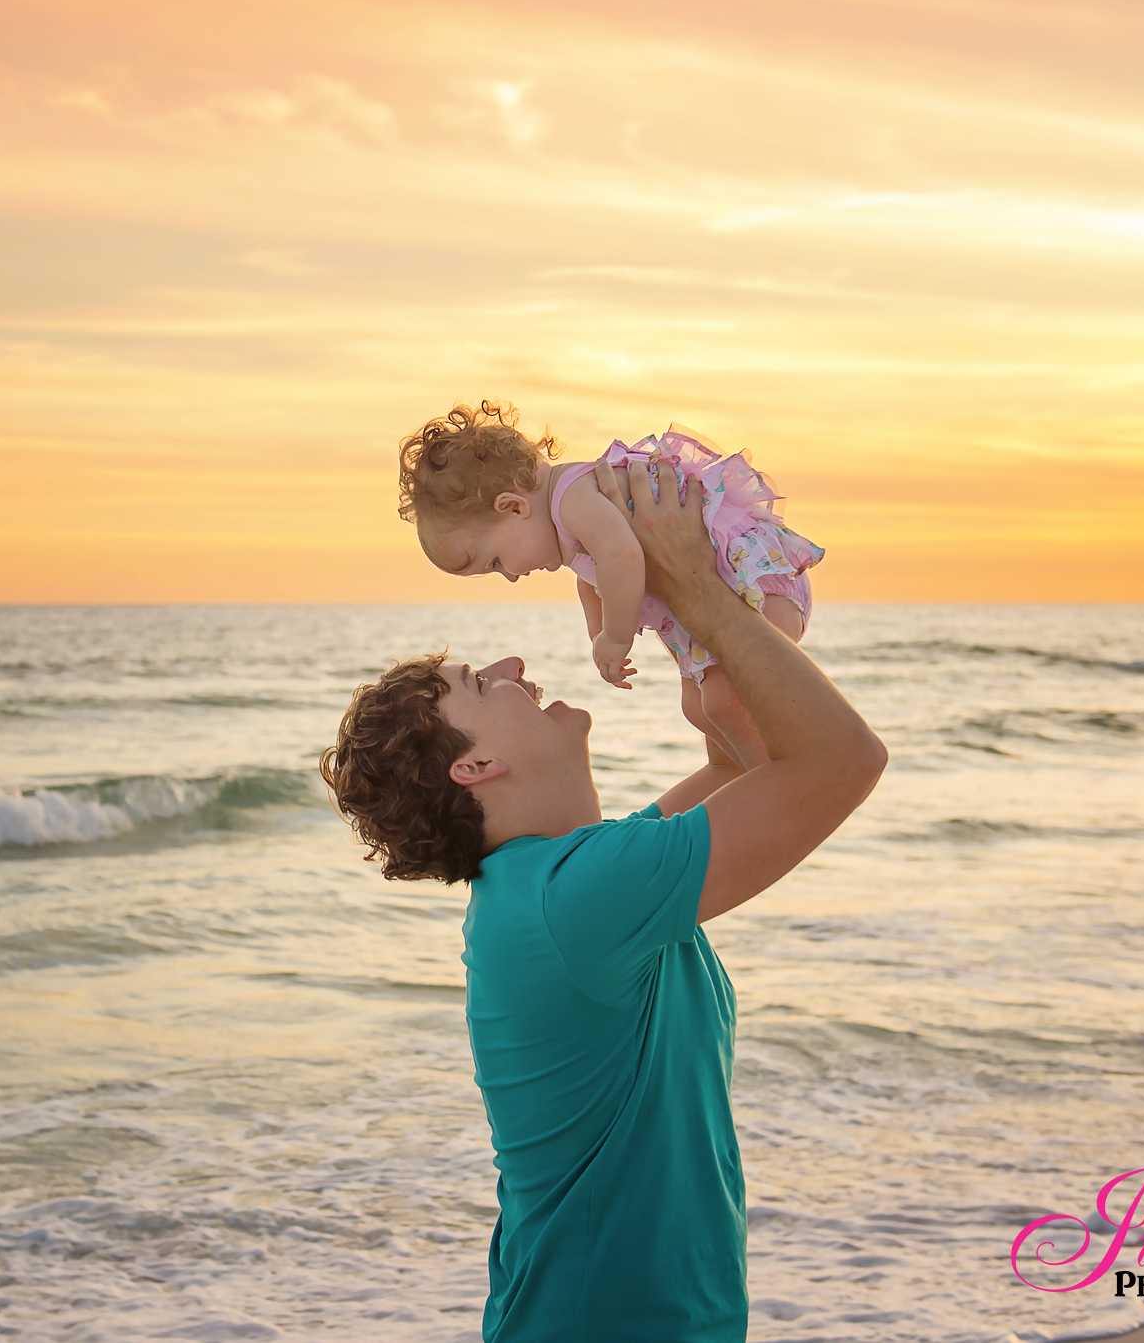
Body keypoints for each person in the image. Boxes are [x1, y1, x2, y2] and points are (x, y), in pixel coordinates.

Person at [322, 457, 887, 1342]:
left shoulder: (567, 879)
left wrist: (686, 614)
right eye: (481, 682)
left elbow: (751, 762)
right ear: (475, 768)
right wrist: (694, 585)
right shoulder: (575, 898)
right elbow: (842, 760)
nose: (511, 661)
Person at [397, 399, 824, 770]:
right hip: (716, 601)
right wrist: (597, 634)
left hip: (751, 583)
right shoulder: (565, 527)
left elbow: (621, 556)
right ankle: (755, 778)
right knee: (698, 709)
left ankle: (775, 779)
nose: (509, 575)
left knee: (720, 703)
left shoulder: (573, 496)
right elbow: (592, 581)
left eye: (495, 562)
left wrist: (616, 639)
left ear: (513, 507)